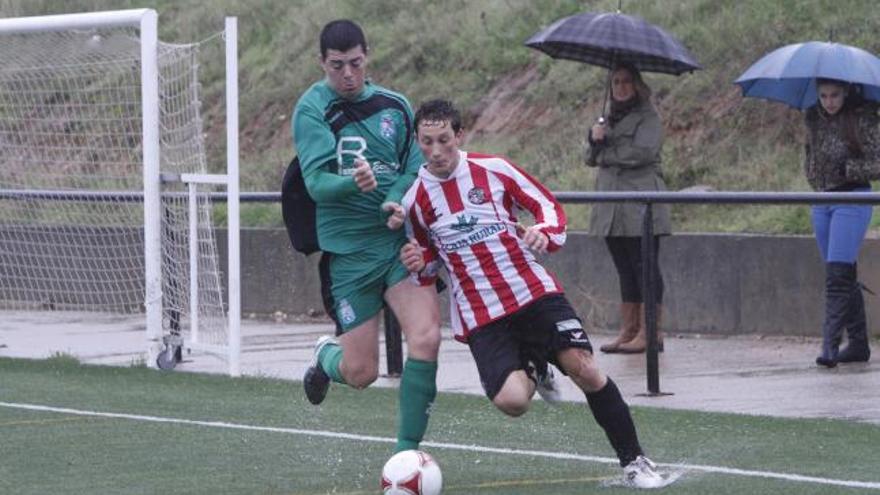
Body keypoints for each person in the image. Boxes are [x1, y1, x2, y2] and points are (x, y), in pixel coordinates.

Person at [400, 99, 669, 489]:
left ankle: (634, 461)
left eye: (444, 140)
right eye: (427, 142)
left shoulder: (493, 170)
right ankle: (535, 367)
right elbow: (427, 260)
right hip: (482, 314)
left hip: (532, 293)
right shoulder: (416, 200)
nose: (437, 151)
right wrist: (416, 258)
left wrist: (543, 230)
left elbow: (546, 205)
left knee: (584, 368)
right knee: (512, 402)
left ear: (459, 135)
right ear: (418, 141)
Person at [292, 19, 442, 453]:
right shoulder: (312, 110)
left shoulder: (394, 106)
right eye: (337, 66)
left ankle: (406, 453)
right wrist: (350, 184)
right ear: (322, 63)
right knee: (361, 374)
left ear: (367, 56)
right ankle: (325, 355)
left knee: (427, 337)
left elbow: (413, 167)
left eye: (355, 64)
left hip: (395, 246)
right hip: (349, 254)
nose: (348, 75)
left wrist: (395, 200)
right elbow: (317, 183)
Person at [584, 63, 671, 354]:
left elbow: (642, 153)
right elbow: (590, 158)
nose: (620, 87)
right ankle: (630, 329)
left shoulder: (648, 116)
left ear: (637, 85)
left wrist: (606, 148)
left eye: (626, 81)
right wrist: (594, 139)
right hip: (611, 205)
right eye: (616, 82)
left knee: (644, 266)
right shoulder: (606, 118)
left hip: (638, 201)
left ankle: (651, 332)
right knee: (625, 269)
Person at [804, 78, 880, 367]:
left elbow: (878, 162)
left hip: (853, 197)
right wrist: (812, 172)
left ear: (846, 92)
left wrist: (849, 168)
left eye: (835, 95)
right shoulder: (812, 117)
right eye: (823, 95)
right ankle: (859, 344)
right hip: (821, 198)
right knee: (842, 273)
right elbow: (809, 153)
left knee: (837, 275)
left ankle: (829, 347)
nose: (829, 101)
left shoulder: (863, 117)